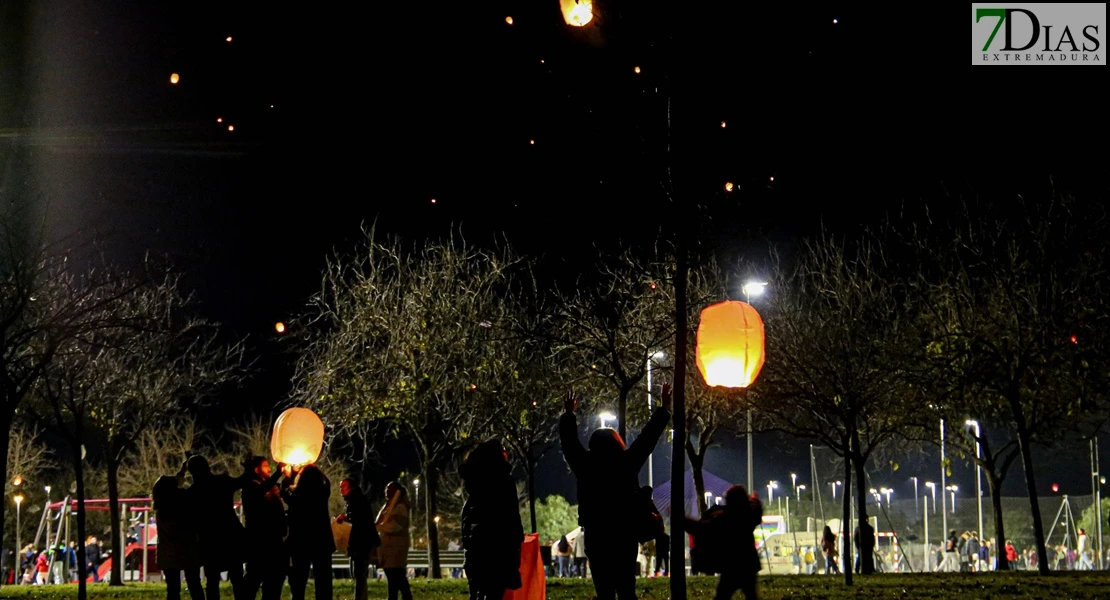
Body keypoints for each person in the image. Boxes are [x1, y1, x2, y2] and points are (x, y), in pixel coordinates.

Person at [560, 383, 671, 600]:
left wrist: (568, 415)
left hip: (596, 533)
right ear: (618, 443)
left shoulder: (585, 464)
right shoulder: (626, 461)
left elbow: (569, 444)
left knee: (604, 590)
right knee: (626, 588)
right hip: (623, 533)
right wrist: (663, 409)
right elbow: (647, 439)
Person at [459, 439, 525, 600]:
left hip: (477, 542)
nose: (506, 453)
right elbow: (510, 510)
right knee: (495, 589)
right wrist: (517, 535)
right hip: (499, 542)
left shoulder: (474, 481)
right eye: (503, 451)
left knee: (478, 590)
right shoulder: (503, 479)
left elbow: (468, 513)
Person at [685, 485, 763, 600]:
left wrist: (683, 519)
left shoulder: (726, 517)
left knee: (723, 595)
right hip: (748, 563)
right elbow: (755, 508)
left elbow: (701, 527)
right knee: (750, 594)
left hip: (733, 565)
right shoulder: (748, 514)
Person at [186, 455, 245, 600]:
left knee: (212, 580)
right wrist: (248, 468)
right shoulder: (222, 482)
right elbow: (242, 481)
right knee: (237, 577)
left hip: (209, 540)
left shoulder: (193, 492)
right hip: (230, 535)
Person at [282, 464, 335, 600]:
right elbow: (327, 482)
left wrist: (293, 474)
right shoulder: (322, 493)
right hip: (322, 542)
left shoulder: (297, 495)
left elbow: (284, 492)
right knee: (323, 579)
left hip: (301, 542)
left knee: (299, 578)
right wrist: (316, 468)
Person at [152, 469, 204, 600]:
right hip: (187, 549)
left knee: (173, 590)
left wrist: (181, 471)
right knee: (194, 585)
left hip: (168, 553)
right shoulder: (182, 505)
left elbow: (173, 483)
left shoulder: (161, 507)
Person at [240, 457, 287, 600]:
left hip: (275, 539)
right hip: (259, 541)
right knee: (255, 576)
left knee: (275, 578)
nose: (269, 468)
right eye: (266, 466)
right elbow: (262, 490)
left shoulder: (271, 486)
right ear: (256, 470)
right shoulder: (250, 487)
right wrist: (278, 473)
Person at [337, 478, 381, 600]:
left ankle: (360, 597)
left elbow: (358, 519)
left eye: (343, 486)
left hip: (362, 542)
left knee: (359, 572)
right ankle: (360, 596)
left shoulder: (356, 499)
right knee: (357, 573)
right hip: (360, 542)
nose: (341, 489)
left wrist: (345, 517)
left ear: (351, 487)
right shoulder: (354, 499)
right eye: (340, 487)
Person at [376, 482, 413, 600]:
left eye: (389, 489)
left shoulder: (400, 507)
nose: (386, 491)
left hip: (396, 548)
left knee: (396, 576)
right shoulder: (390, 505)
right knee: (396, 577)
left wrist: (380, 527)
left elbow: (395, 526)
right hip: (389, 548)